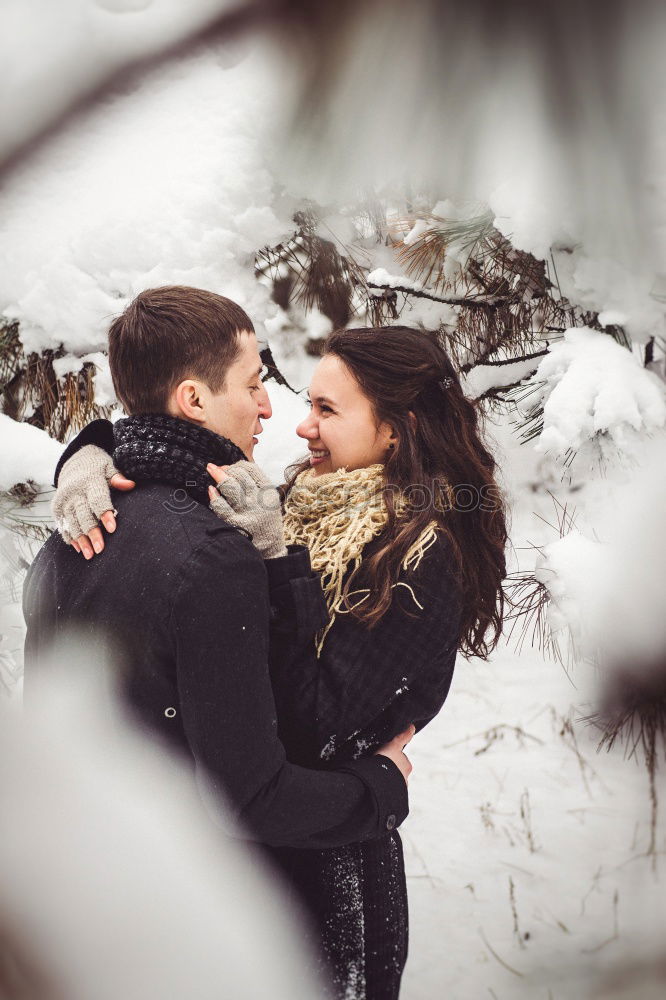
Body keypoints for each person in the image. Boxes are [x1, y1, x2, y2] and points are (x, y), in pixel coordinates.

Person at [52, 320, 508, 999]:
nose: (300, 426)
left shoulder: (422, 554)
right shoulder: (306, 501)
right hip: (258, 850)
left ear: (398, 430)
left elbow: (308, 726)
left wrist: (271, 560)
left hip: (328, 871)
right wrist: (89, 456)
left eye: (328, 410)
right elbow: (174, 447)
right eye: (306, 402)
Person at [22, 287, 414, 868]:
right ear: (194, 400)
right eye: (253, 383)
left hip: (77, 884)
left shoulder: (70, 533)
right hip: (177, 899)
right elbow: (250, 798)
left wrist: (93, 444)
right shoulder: (212, 558)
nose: (268, 406)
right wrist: (380, 788)